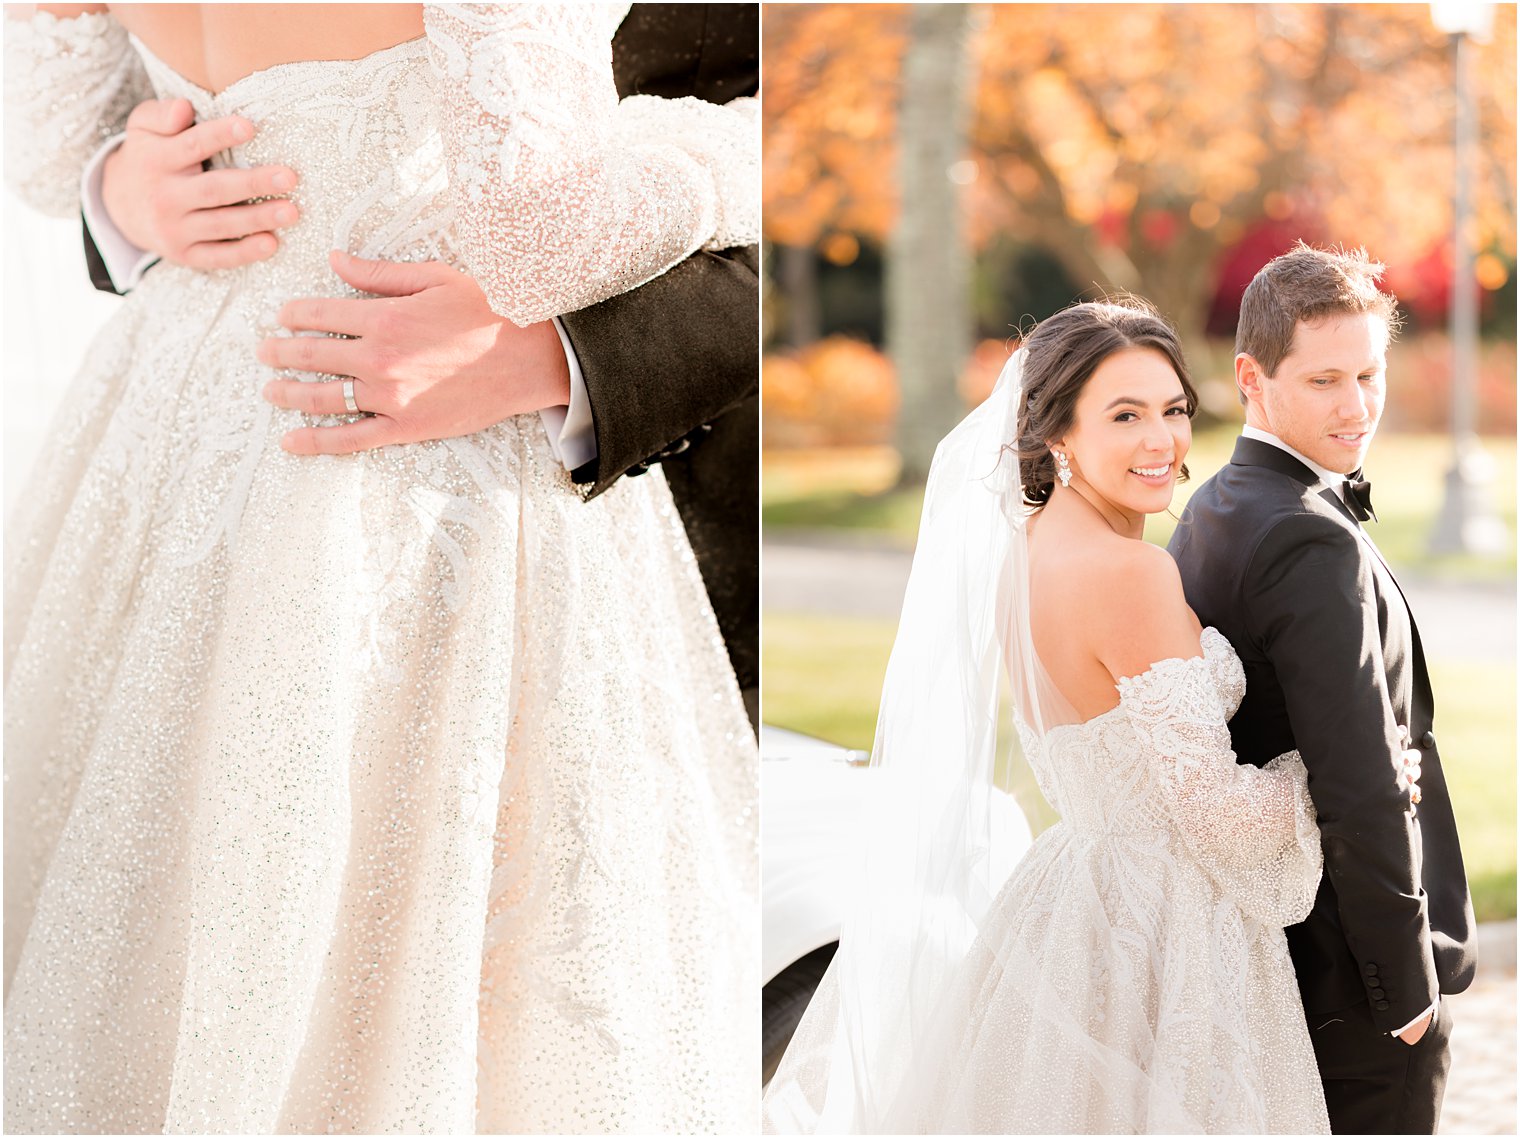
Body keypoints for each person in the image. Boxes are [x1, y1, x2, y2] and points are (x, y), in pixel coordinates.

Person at [3, 4, 757, 1132]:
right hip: (402, 482)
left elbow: (52, 144)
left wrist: (122, 178)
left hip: (186, 416)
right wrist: (751, 152)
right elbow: (542, 229)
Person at [761, 298, 1408, 1134]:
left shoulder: (1022, 555)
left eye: (1173, 410)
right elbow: (1217, 818)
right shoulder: (1127, 573)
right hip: (1167, 935)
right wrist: (1345, 776)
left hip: (1069, 903)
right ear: (1057, 436)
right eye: (1125, 415)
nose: (1161, 441)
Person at [76, 3, 761, 722]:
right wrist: (123, 193)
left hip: (182, 431)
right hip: (392, 472)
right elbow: (539, 233)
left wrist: (555, 356)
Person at [1168, 243, 1476, 1134]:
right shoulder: (1306, 539)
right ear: (1252, 378)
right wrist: (1405, 990)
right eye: (1325, 381)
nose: (1356, 407)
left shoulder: (1219, 502)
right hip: (1350, 975)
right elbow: (1360, 780)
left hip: (1275, 952)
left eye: (1370, 374)